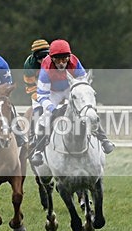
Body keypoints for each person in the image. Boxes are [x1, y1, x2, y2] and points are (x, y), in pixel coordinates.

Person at [28, 38, 114, 167]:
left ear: (69, 57)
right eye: (58, 59)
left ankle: (103, 140)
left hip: (71, 87)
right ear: (51, 58)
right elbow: (42, 96)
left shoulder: (74, 62)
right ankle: (39, 151)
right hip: (53, 92)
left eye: (65, 59)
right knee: (45, 117)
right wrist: (53, 109)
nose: (62, 63)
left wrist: (79, 97)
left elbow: (83, 84)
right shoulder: (46, 68)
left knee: (87, 111)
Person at [23, 38, 50, 119]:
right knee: (37, 112)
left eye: (45, 56)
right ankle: (33, 130)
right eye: (39, 57)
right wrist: (42, 99)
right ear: (34, 56)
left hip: (54, 87)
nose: (42, 60)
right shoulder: (29, 66)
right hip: (37, 88)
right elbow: (31, 87)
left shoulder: (55, 60)